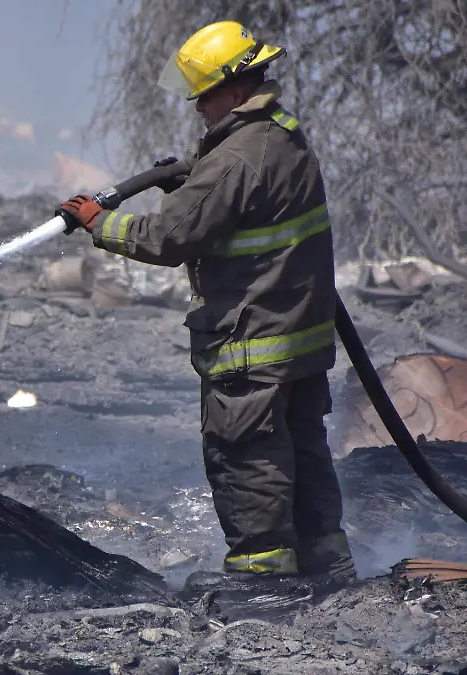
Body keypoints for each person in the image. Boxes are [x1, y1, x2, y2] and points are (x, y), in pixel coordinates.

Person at [55, 21, 355, 583]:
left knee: (247, 456)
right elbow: (236, 208)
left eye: (205, 95)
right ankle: (324, 566)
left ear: (236, 87)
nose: (198, 108)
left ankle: (262, 581)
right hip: (297, 334)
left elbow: (168, 238)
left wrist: (99, 223)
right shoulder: (281, 133)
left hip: (253, 337)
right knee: (302, 450)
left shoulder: (238, 155)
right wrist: (194, 186)